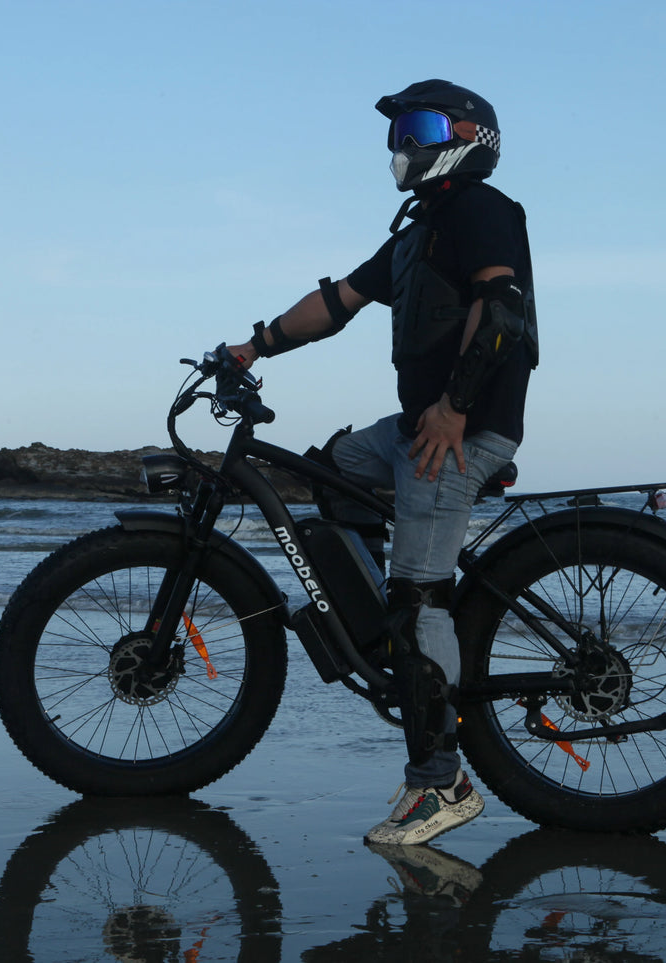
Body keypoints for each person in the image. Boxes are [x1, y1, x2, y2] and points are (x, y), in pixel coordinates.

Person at [226, 79, 537, 846]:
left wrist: (455, 407)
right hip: (413, 426)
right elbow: (337, 302)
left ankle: (442, 782)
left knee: (419, 597)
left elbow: (501, 310)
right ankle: (382, 631)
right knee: (334, 465)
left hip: (457, 430)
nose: (403, 142)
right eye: (397, 130)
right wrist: (252, 344)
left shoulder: (480, 210)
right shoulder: (418, 230)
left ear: (470, 133)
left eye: (420, 126)